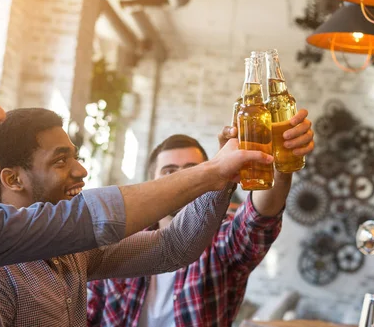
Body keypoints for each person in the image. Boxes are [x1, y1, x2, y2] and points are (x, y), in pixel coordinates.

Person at [0, 36, 272, 327]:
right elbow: (99, 215)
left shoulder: (73, 250)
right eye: (60, 161)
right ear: (13, 179)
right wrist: (214, 171)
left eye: (75, 157)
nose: (81, 172)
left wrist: (223, 175)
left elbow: (173, 247)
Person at [86, 116, 315, 326]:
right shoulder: (120, 242)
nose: (181, 179)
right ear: (152, 181)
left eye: (191, 170)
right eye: (169, 172)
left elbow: (258, 220)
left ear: (209, 176)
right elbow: (89, 313)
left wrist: (282, 169)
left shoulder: (220, 240)